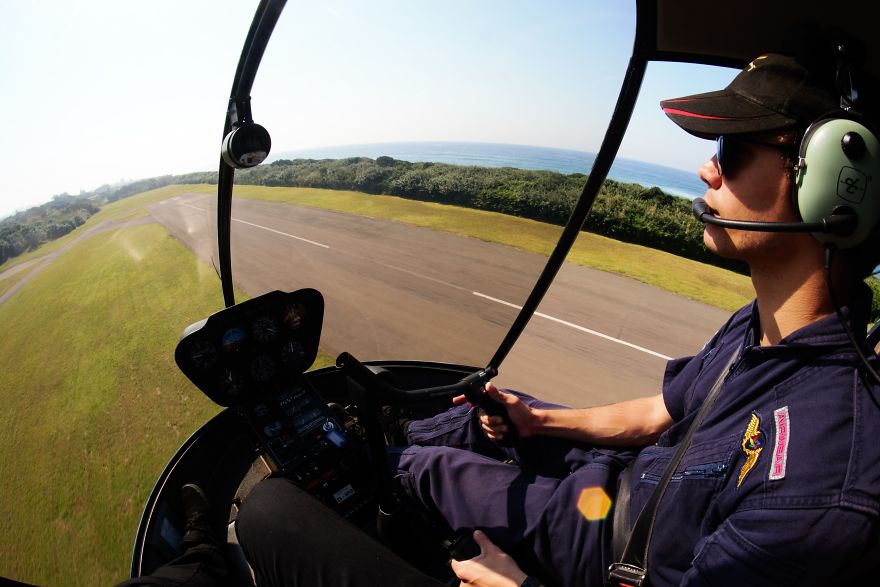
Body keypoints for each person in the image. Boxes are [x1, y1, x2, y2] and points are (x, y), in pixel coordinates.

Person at [237, 45, 880, 586]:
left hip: (613, 551)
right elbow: (661, 413)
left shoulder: (823, 483)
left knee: (368, 484)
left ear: (831, 184)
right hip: (621, 486)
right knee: (475, 423)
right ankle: (382, 448)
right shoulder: (759, 327)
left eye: (732, 151)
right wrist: (538, 420)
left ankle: (371, 481)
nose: (707, 167)